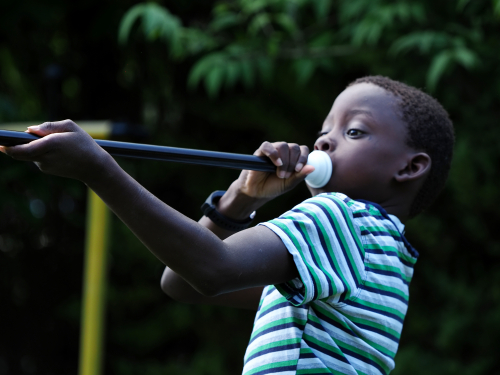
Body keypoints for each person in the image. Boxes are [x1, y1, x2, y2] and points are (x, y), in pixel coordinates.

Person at [0, 76, 454, 374]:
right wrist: (239, 200)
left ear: (410, 167)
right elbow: (185, 283)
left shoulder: (341, 218)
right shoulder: (381, 249)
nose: (324, 142)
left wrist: (98, 169)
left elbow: (210, 269)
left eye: (354, 132)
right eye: (324, 131)